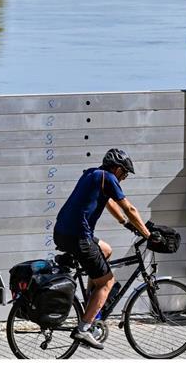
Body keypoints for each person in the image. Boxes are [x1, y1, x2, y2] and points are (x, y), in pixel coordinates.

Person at [53, 147, 152, 349]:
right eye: (124, 172)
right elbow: (129, 208)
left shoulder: (93, 174)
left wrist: (124, 223)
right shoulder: (107, 177)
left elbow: (110, 204)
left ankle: (92, 304)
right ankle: (84, 329)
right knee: (107, 282)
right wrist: (147, 235)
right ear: (117, 168)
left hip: (63, 232)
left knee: (106, 250)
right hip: (78, 237)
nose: (124, 177)